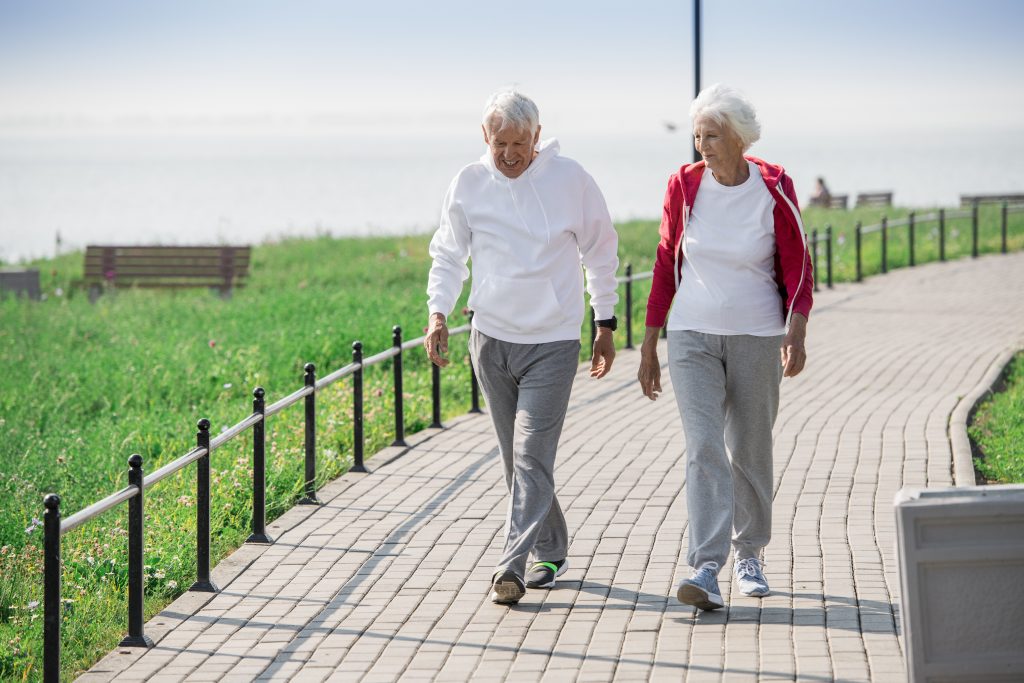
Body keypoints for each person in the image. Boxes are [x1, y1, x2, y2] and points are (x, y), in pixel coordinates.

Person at [424, 90, 620, 605]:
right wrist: (438, 312)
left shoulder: (571, 180)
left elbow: (601, 251)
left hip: (552, 343)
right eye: (499, 144)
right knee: (518, 462)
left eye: (520, 143)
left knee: (531, 455)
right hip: (490, 340)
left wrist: (605, 320)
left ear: (537, 137)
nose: (509, 154)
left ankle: (512, 565)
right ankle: (552, 548)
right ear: (484, 138)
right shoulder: (468, 184)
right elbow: (448, 254)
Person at [637, 84, 813, 611]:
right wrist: (649, 340)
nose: (703, 146)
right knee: (705, 446)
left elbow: (798, 264)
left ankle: (750, 553)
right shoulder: (684, 187)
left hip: (758, 334)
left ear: (739, 138)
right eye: (697, 136)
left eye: (712, 135)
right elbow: (666, 261)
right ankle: (707, 565)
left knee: (751, 446)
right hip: (691, 333)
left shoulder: (774, 187)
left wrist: (797, 327)